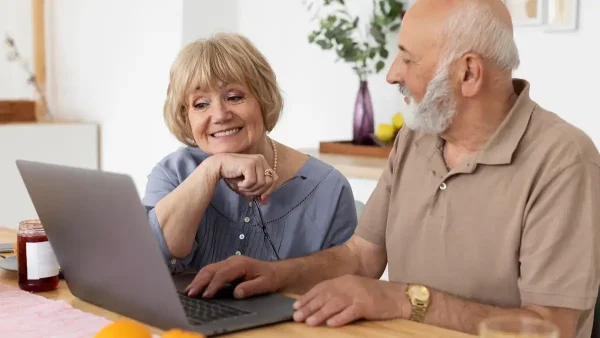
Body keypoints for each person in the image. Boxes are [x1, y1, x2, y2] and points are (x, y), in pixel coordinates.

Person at [184, 1, 600, 337]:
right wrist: (275, 275)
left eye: (407, 58)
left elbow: (551, 327)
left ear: (468, 73)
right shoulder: (415, 138)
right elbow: (360, 256)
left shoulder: (563, 159)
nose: (391, 74)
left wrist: (403, 299)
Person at [142, 33, 358, 274]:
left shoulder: (328, 189)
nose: (220, 115)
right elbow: (144, 262)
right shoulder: (174, 173)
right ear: (185, 116)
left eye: (234, 97)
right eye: (201, 104)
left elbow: (347, 288)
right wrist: (213, 168)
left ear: (263, 99)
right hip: (181, 313)